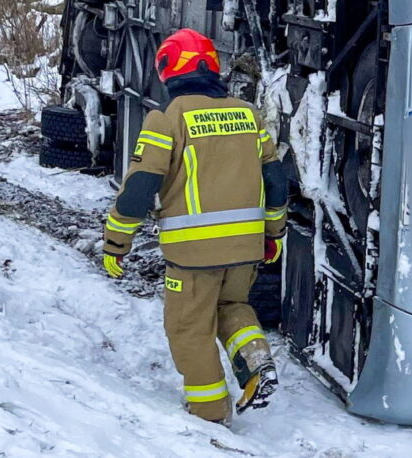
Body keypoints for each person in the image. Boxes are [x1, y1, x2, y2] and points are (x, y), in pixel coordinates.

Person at [100, 28, 289, 426]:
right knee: (231, 306)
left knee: (188, 327)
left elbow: (139, 187)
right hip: (246, 248)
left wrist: (117, 240)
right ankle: (255, 364)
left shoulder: (166, 119)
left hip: (193, 254)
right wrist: (274, 235)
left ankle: (209, 413)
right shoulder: (247, 114)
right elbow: (275, 181)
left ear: (169, 69)